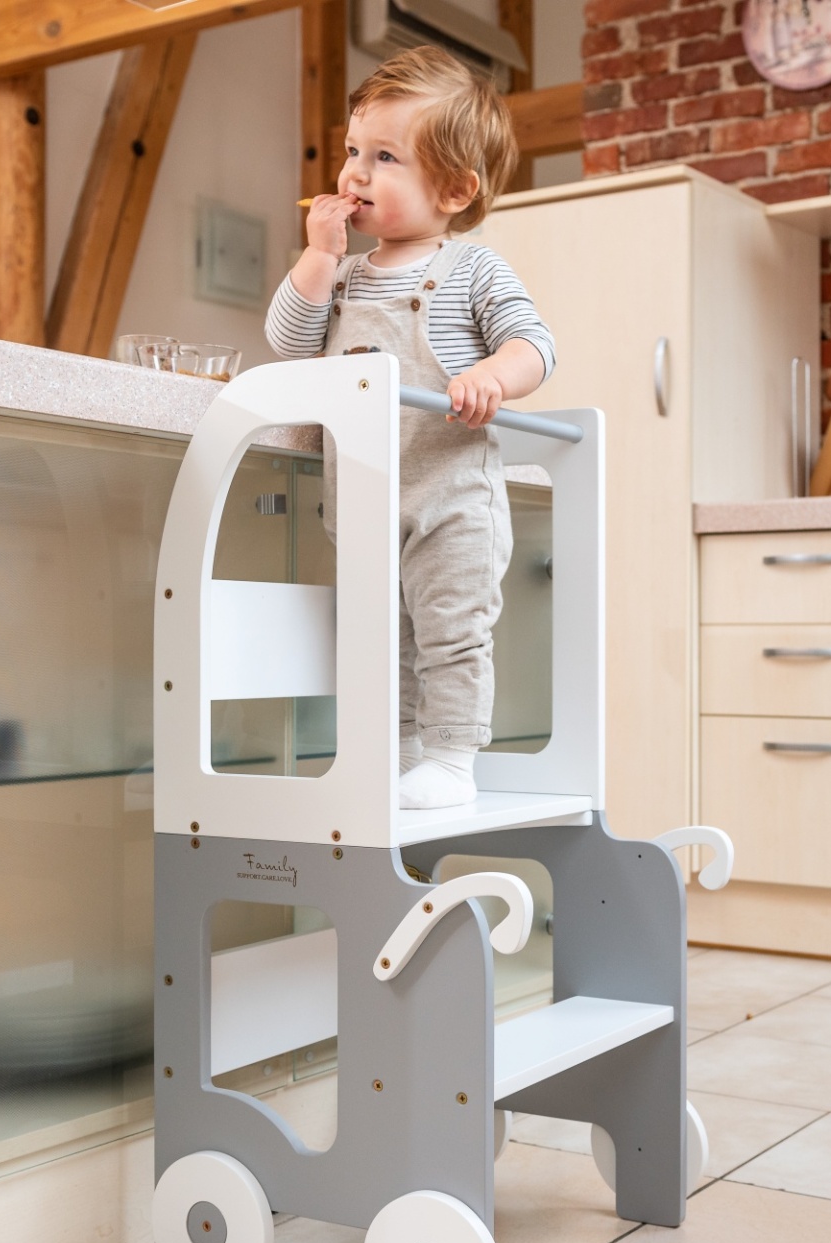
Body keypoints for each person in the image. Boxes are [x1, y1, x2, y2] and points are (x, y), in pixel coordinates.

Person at [266, 46, 554, 809]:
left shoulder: (473, 270)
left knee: (449, 632)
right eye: (352, 152)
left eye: (385, 157)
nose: (354, 174)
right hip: (362, 498)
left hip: (450, 496)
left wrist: (492, 377)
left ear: (455, 189)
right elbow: (289, 342)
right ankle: (400, 758)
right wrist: (317, 256)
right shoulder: (343, 277)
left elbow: (534, 346)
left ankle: (452, 760)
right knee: (378, 637)